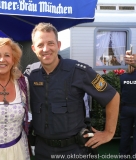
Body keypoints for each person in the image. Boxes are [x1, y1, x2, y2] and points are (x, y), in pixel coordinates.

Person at [24, 22, 120, 160]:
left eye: (51, 43)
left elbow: (112, 96)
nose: (46, 49)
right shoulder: (30, 73)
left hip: (74, 149)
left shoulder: (79, 71)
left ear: (59, 45)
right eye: (40, 45)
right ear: (33, 48)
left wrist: (109, 132)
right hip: (42, 150)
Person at [119, 64, 136, 159]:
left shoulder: (123, 77)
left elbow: (121, 91)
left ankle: (123, 155)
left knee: (125, 132)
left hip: (126, 108)